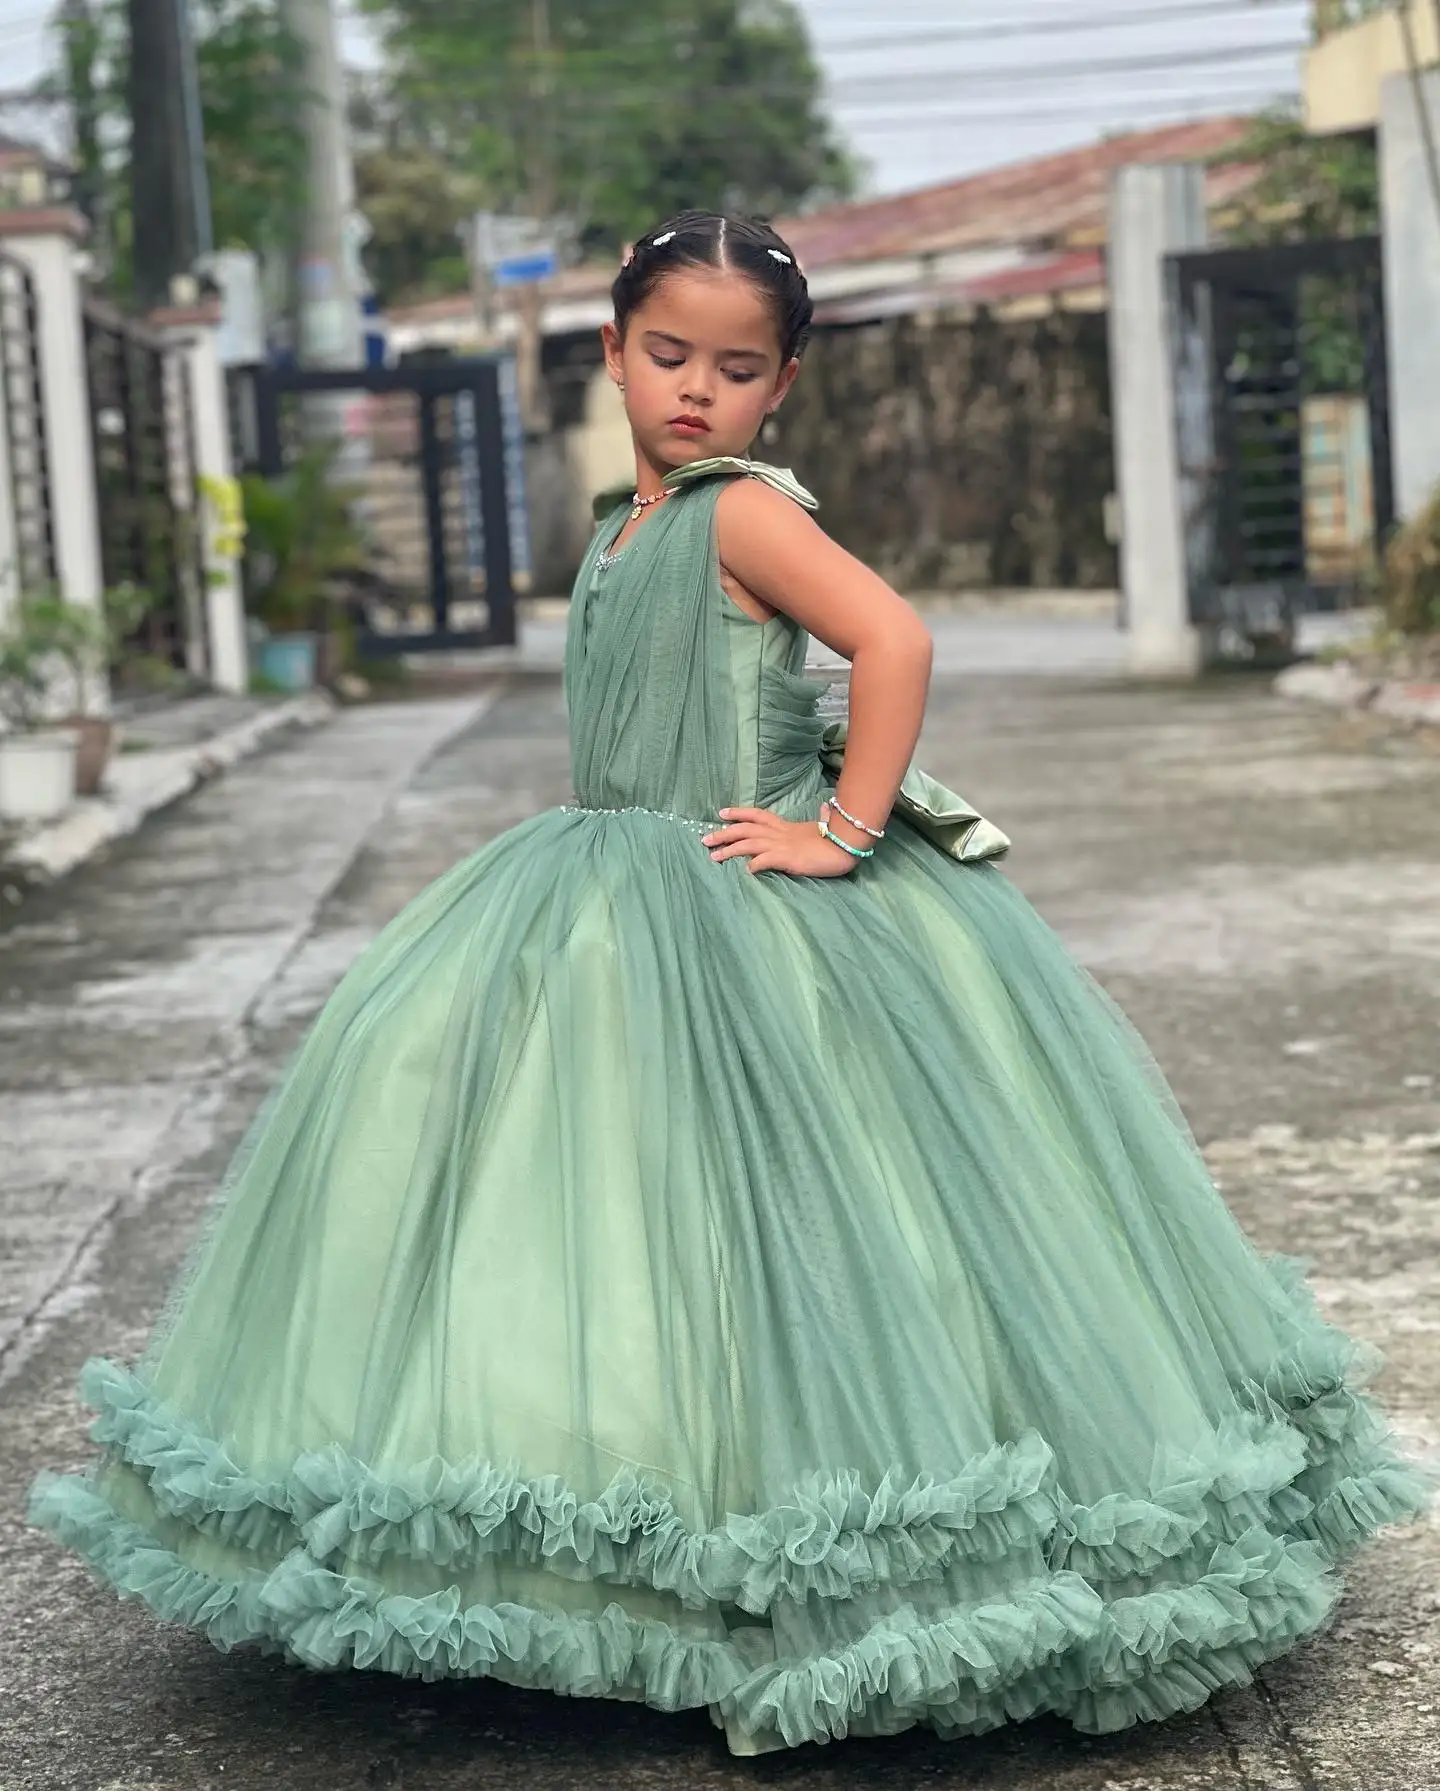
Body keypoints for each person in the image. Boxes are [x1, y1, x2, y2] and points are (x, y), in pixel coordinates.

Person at [31, 210, 1430, 1755]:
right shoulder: (624, 525)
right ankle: (623, 1535)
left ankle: (812, 1549)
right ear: (616, 352)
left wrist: (841, 828)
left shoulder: (740, 513)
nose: (697, 388)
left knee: (811, 1221)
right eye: (669, 354)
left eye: (738, 367)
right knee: (600, 1214)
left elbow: (891, 638)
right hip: (601, 878)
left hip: (743, 895)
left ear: (783, 385)